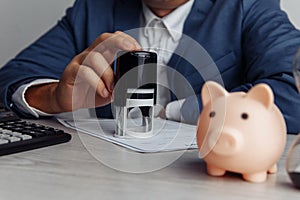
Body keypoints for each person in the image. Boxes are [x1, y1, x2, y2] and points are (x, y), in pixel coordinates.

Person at [0, 0, 300, 134]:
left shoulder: (250, 6)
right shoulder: (95, 7)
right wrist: (54, 97)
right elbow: (12, 78)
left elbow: (294, 91)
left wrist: (173, 112)